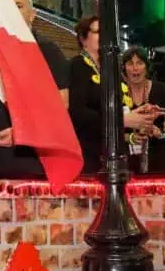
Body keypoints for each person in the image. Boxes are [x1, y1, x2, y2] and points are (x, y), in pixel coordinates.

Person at [0, 0, 71, 176]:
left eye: (18, 6)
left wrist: (21, 132)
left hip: (30, 161)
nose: (11, 11)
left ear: (33, 15)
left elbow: (61, 103)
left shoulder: (47, 50)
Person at [67, 15, 158, 173]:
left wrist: (138, 116)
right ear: (83, 38)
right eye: (99, 32)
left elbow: (120, 109)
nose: (105, 37)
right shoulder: (78, 66)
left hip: (116, 155)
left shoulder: (110, 69)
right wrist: (121, 120)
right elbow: (78, 113)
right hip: (88, 155)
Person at [121, 46, 165, 173]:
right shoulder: (117, 93)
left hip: (158, 160)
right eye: (130, 63)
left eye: (140, 63)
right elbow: (108, 131)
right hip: (126, 164)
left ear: (147, 67)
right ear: (124, 68)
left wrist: (161, 132)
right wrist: (129, 137)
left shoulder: (162, 90)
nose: (135, 68)